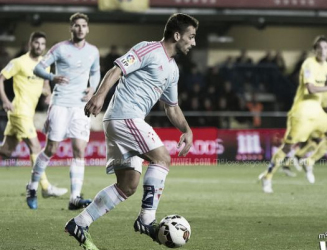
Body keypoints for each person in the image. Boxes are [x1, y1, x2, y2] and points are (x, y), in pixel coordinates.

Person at [64, 13, 198, 250]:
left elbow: (171, 107)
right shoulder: (149, 49)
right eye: (191, 36)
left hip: (122, 121)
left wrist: (186, 129)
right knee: (162, 158)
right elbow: (116, 70)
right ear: (177, 35)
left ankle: (79, 223)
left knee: (127, 185)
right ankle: (146, 219)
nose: (193, 42)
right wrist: (99, 95)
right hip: (125, 117)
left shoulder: (173, 70)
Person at [26, 13, 101, 210]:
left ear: (87, 28)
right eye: (76, 25)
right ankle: (32, 188)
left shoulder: (93, 51)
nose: (80, 29)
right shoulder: (60, 48)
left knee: (79, 151)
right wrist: (52, 77)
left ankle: (75, 197)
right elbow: (38, 68)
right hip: (60, 103)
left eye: (84, 25)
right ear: (71, 28)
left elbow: (95, 72)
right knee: (51, 149)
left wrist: (93, 88)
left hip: (80, 106)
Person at [259, 36, 327, 193]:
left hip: (317, 111)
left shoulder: (326, 66)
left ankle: (309, 161)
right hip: (302, 112)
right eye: (319, 48)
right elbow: (311, 89)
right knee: (287, 148)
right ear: (314, 50)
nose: (323, 51)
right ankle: (267, 176)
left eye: (326, 47)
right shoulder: (308, 64)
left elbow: (320, 91)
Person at [0, 31, 68, 198]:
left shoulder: (45, 64)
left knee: (6, 152)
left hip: (27, 113)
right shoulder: (18, 62)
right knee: (36, 147)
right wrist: (5, 100)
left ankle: (44, 186)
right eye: (36, 43)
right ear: (30, 44)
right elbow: (0, 78)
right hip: (19, 111)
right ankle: (45, 187)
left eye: (43, 44)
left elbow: (45, 86)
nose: (39, 47)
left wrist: (49, 95)